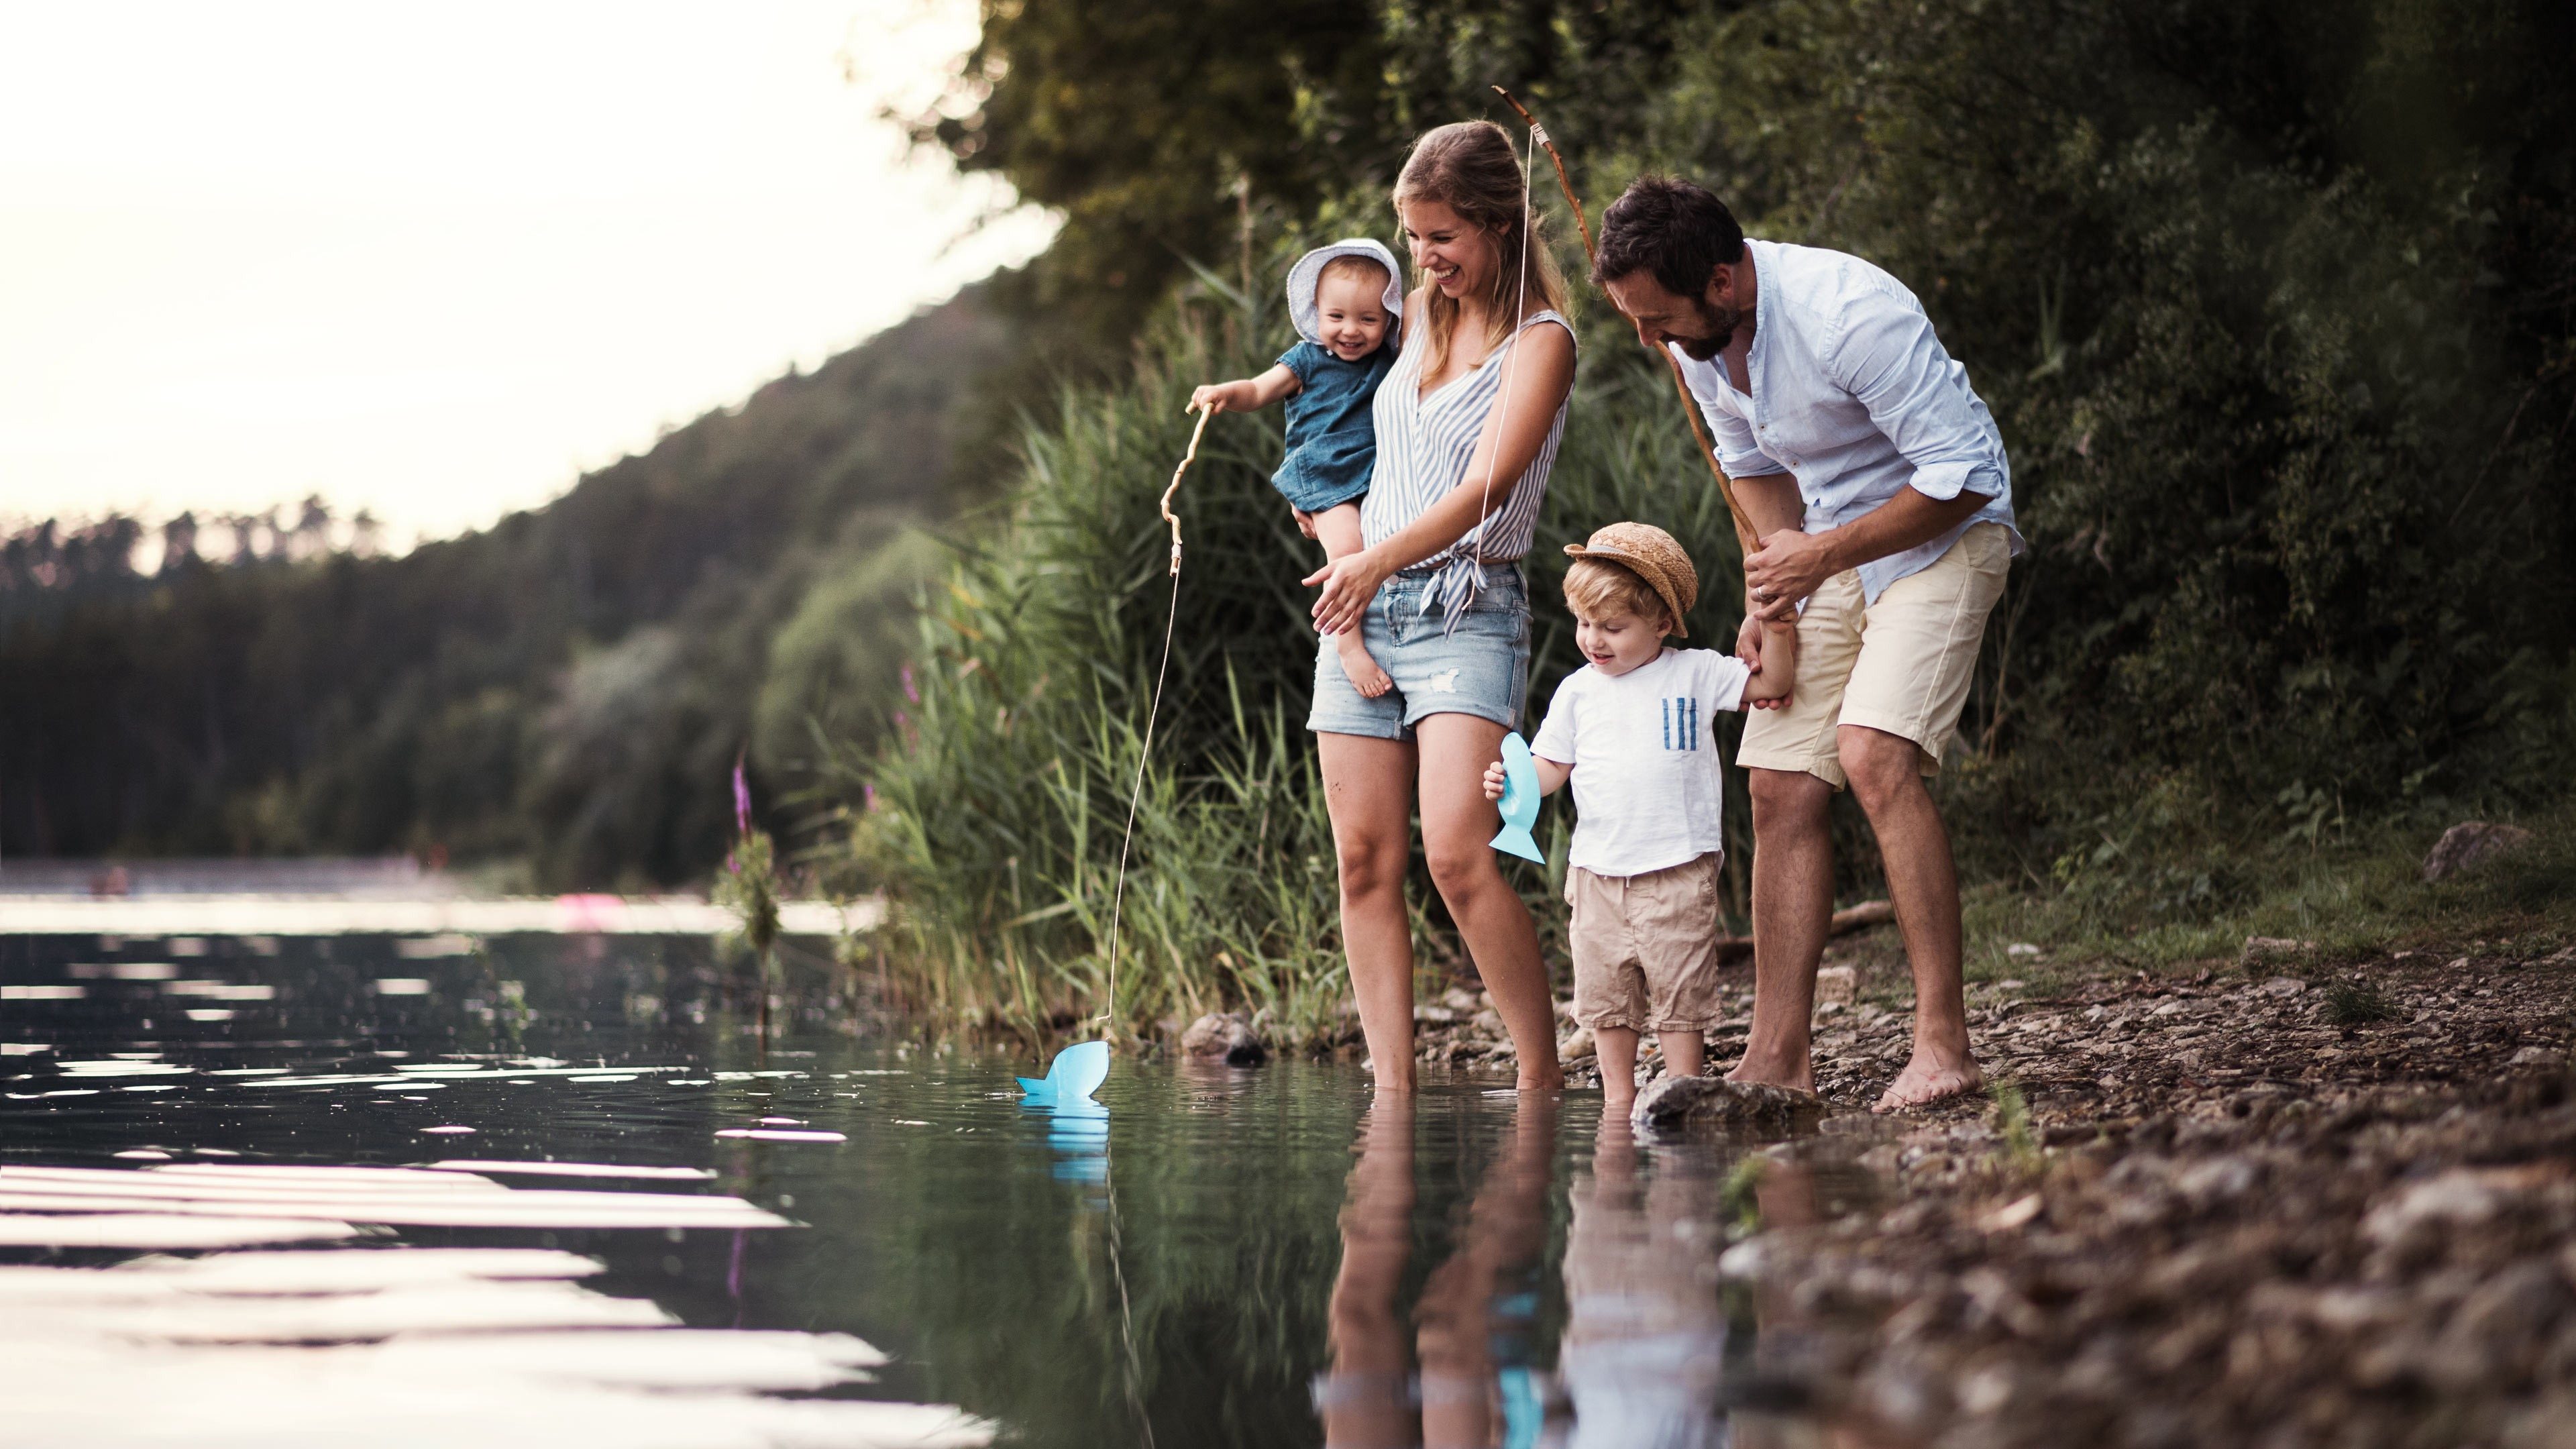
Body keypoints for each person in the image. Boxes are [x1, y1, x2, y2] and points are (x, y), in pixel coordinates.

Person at [1592, 176, 2023, 1112]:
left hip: (1946, 535)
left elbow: (1967, 476)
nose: (1648, 339)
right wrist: (1773, 589)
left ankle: (1943, 1047)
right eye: (1635, 320)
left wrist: (1820, 553)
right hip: (1830, 549)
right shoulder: (1696, 345)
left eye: (1657, 318)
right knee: (1780, 779)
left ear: (1722, 281)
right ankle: (1778, 1058)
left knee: (1871, 756)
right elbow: (1753, 471)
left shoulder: (1847, 314)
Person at [1303, 119, 1578, 1093]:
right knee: (1363, 862)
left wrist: (1372, 561)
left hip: (1470, 607)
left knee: (1460, 856)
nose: (1424, 259)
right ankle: (1393, 1093)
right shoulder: (1411, 312)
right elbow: (1325, 433)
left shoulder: (1544, 342)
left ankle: (1542, 1080)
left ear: (1499, 225)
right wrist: (1345, 551)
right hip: (1364, 609)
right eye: (1416, 238)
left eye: (1443, 237)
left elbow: (1487, 492)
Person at [1481, 522, 1792, 1110]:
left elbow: (1773, 681)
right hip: (1598, 874)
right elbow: (1550, 767)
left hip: (1677, 868)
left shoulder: (1694, 671)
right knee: (1606, 997)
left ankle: (1681, 1094)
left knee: (1681, 991)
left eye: (1613, 627)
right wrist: (1513, 781)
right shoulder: (1578, 691)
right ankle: (1618, 1105)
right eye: (1584, 624)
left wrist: (1775, 624)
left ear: (1663, 623)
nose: (1594, 640)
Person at [1192, 239, 1406, 698]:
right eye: (1337, 317)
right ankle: (1348, 646)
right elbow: (1257, 389)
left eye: (1367, 319)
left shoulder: (1390, 362)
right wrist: (1224, 394)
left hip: (1377, 475)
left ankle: (1392, 628)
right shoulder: (1307, 358)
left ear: (1388, 317)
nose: (1351, 330)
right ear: (1316, 312)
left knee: (1385, 547)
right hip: (1325, 475)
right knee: (1347, 550)